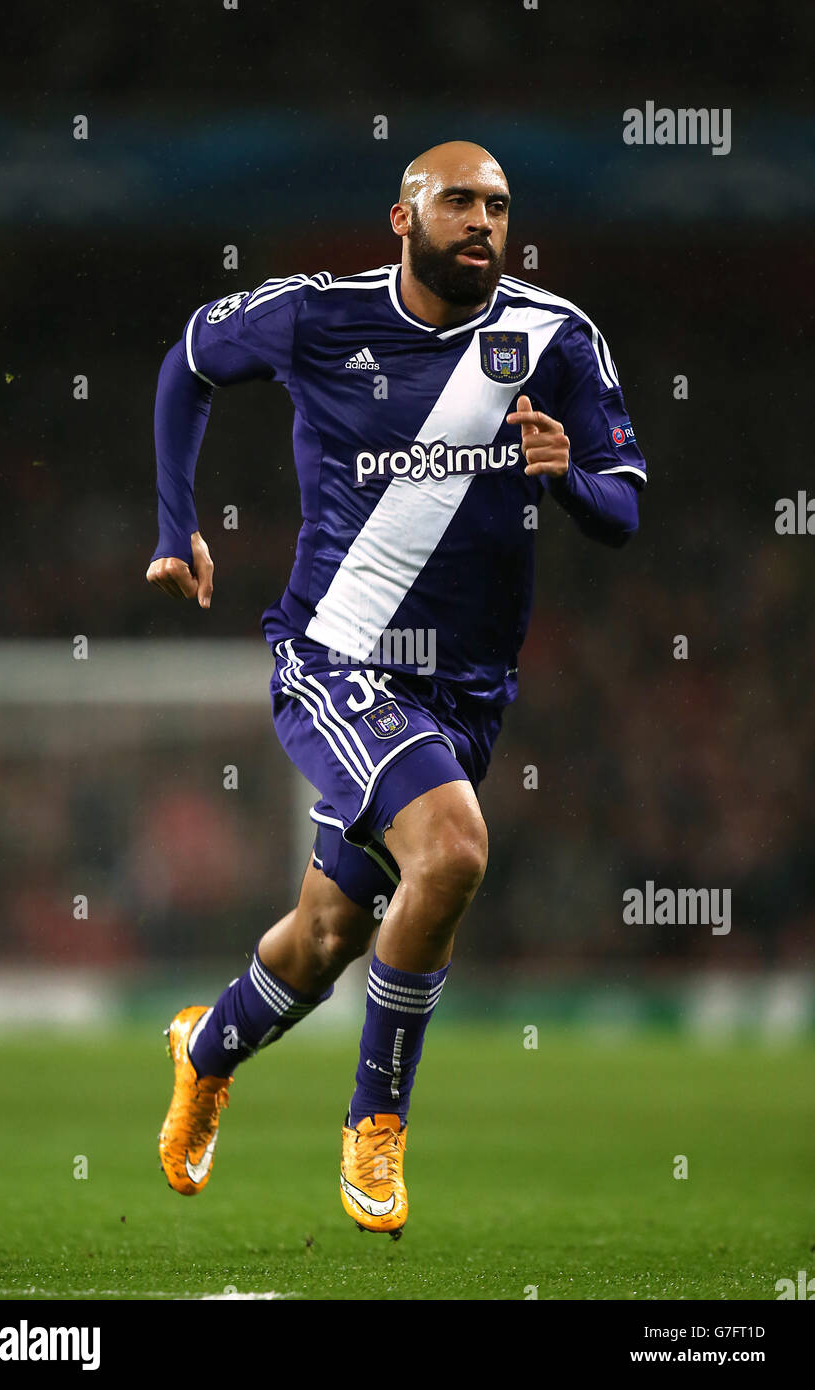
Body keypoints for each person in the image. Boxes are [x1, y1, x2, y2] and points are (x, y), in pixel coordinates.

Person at [147, 141, 646, 1238]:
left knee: (325, 936)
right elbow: (187, 358)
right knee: (454, 849)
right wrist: (172, 517)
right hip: (336, 656)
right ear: (401, 216)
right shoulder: (317, 316)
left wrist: (571, 482)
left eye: (499, 206)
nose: (481, 221)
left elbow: (623, 507)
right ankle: (375, 1121)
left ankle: (205, 1047)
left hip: (464, 694)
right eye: (458, 201)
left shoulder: (555, 336)